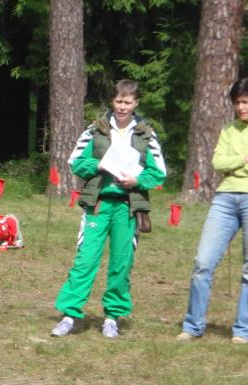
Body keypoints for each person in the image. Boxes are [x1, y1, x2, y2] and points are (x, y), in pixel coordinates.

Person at [50, 80, 167, 339]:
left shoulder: (146, 134)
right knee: (85, 260)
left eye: (128, 102)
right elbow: (76, 162)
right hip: (98, 204)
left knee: (121, 264)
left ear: (136, 103)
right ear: (112, 102)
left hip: (127, 207)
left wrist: (137, 181)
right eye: (118, 101)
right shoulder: (96, 130)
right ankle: (69, 315)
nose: (122, 107)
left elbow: (158, 172)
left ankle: (112, 317)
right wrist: (99, 165)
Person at [178, 77, 248, 344]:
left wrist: (235, 166)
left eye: (245, 102)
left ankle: (243, 330)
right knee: (202, 262)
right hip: (225, 199)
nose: (240, 108)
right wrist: (245, 159)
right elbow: (217, 162)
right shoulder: (228, 129)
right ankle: (193, 326)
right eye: (236, 102)